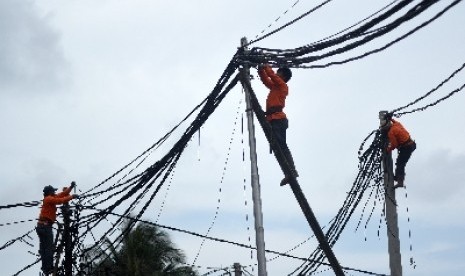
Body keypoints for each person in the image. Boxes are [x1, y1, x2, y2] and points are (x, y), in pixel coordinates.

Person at [258, 64, 298, 186]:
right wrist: (261, 69)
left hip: (278, 119)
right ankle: (288, 172)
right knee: (278, 148)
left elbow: (272, 76)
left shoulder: (282, 86)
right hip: (272, 119)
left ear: (283, 76)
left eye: (279, 72)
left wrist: (265, 65)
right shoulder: (275, 87)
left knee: (281, 146)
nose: (276, 73)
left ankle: (291, 171)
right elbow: (266, 80)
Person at [36, 181, 80, 275]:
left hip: (42, 226)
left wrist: (71, 187)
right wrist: (72, 197)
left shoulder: (49, 198)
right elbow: (59, 201)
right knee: (48, 248)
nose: (55, 192)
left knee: (44, 249)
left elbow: (62, 194)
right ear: (50, 192)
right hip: (45, 227)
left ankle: (45, 268)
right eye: (53, 191)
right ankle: (48, 268)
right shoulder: (49, 199)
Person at [380, 117, 416, 189]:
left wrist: (388, 149)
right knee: (399, 162)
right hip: (411, 144)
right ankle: (397, 177)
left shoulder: (391, 132)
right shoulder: (397, 124)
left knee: (400, 164)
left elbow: (394, 144)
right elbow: (394, 120)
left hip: (406, 147)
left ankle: (400, 182)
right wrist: (390, 118)